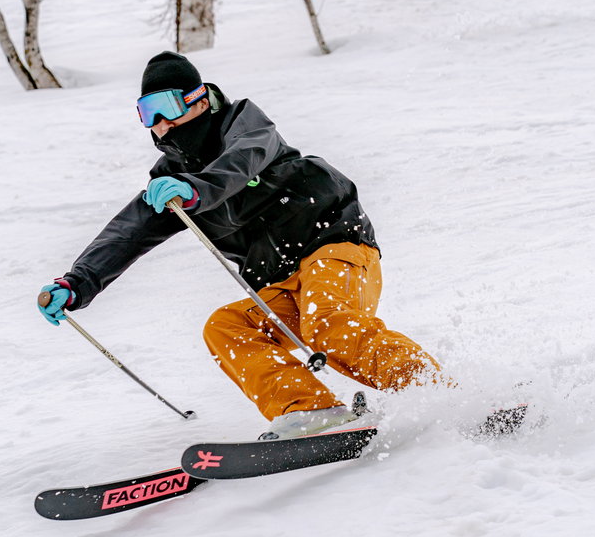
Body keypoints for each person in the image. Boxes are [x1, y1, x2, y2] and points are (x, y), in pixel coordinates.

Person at [37, 52, 442, 439]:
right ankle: (310, 409)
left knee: (327, 323)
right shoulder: (172, 180)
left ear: (198, 100)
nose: (158, 123)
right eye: (146, 112)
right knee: (227, 327)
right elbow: (128, 231)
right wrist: (77, 282)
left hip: (333, 244)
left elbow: (244, 159)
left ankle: (437, 391)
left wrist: (197, 189)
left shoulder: (245, 126)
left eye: (166, 107)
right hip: (277, 280)